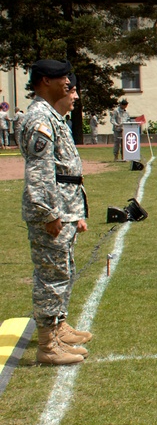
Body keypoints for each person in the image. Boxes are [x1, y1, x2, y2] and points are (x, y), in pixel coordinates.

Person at [21, 60, 91, 365]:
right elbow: (40, 173)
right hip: (52, 210)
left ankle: (58, 328)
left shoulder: (52, 117)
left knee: (63, 270)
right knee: (51, 276)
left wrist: (74, 213)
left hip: (63, 207)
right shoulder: (39, 119)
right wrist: (49, 213)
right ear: (45, 81)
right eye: (63, 78)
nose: (68, 85)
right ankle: (48, 345)